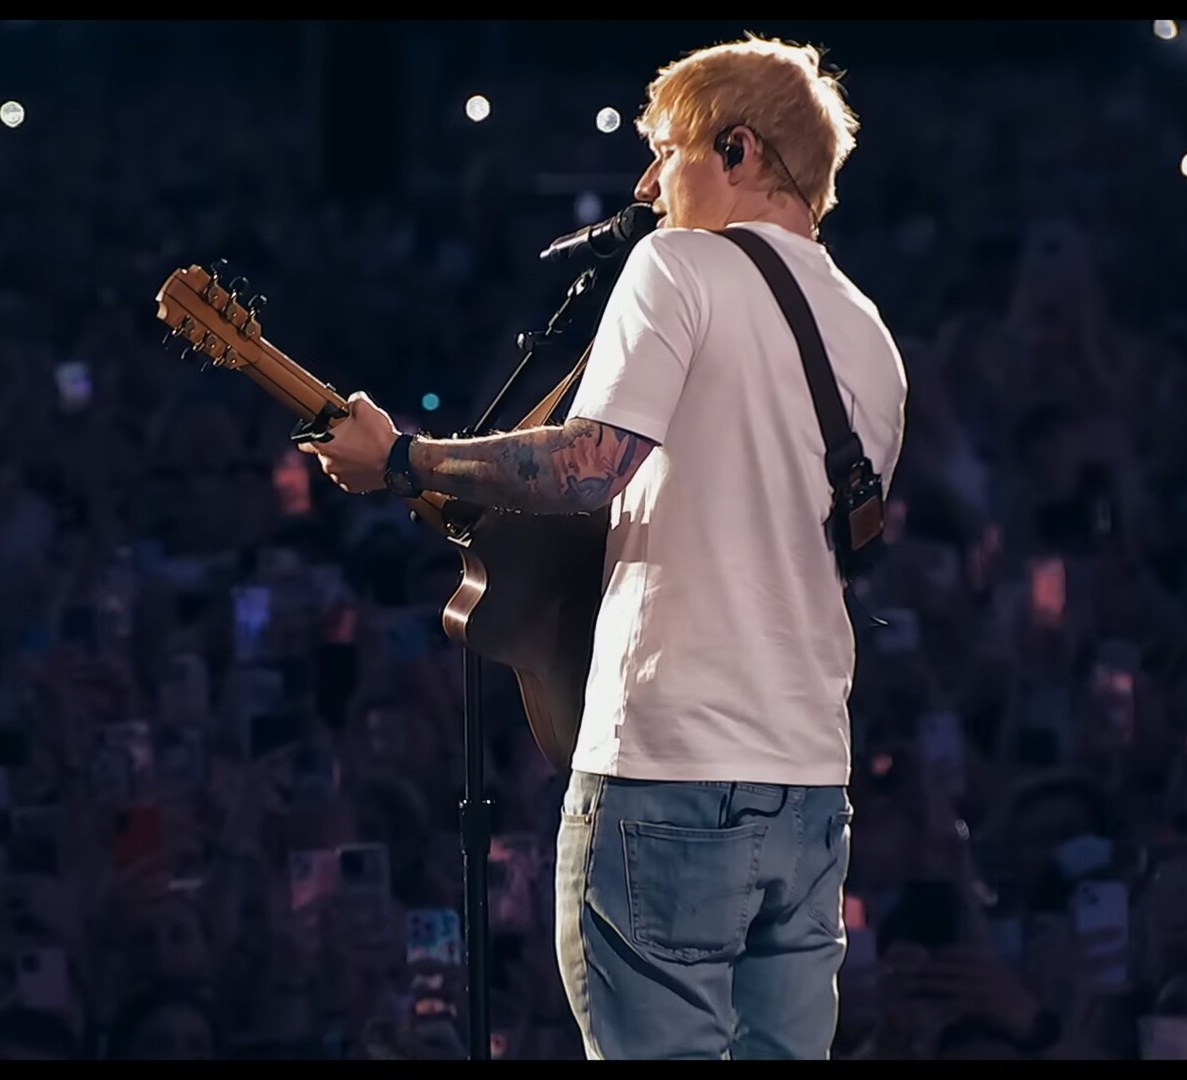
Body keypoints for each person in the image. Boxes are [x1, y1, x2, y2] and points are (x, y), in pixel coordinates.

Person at [302, 36, 907, 1059]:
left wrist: (406, 458)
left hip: (671, 770)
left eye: (666, 152)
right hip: (809, 786)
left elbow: (590, 465)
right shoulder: (870, 337)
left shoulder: (680, 265)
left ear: (738, 150)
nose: (646, 186)